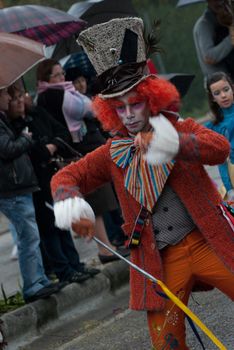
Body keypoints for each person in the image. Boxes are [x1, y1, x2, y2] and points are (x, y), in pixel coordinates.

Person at [50, 17, 234, 349]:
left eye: (136, 103)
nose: (130, 114)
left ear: (151, 99)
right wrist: (71, 204)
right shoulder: (111, 153)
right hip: (163, 263)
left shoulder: (178, 128)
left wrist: (176, 144)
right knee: (167, 342)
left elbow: (220, 149)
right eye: (120, 109)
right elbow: (66, 177)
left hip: (209, 244)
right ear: (110, 112)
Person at [36, 59, 129, 263]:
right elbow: (89, 108)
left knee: (99, 203)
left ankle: (108, 247)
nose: (63, 78)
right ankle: (105, 249)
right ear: (46, 79)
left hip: (78, 149)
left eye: (62, 74)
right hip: (75, 152)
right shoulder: (54, 95)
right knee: (95, 203)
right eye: (58, 75)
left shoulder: (57, 93)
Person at [7, 82, 98, 283]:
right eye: (14, 99)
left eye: (21, 95)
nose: (20, 101)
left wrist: (52, 145)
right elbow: (33, 153)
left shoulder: (37, 114)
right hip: (36, 181)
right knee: (49, 226)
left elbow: (61, 133)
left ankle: (75, 265)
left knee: (63, 221)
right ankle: (63, 270)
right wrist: (43, 147)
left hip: (52, 174)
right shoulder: (13, 127)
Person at [0, 87, 62, 303]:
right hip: (13, 188)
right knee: (28, 237)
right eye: (6, 95)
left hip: (20, 186)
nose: (9, 99)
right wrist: (26, 138)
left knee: (31, 235)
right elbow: (6, 149)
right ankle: (33, 284)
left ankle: (40, 279)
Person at [205, 71, 234, 200]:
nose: (223, 95)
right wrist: (230, 189)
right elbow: (221, 162)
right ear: (212, 98)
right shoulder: (212, 126)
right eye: (217, 93)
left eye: (226, 90)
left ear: (232, 88)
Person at [193, 0, 234, 82]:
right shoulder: (204, 24)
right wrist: (230, 39)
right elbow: (209, 57)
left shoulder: (227, 17)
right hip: (222, 85)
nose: (219, 2)